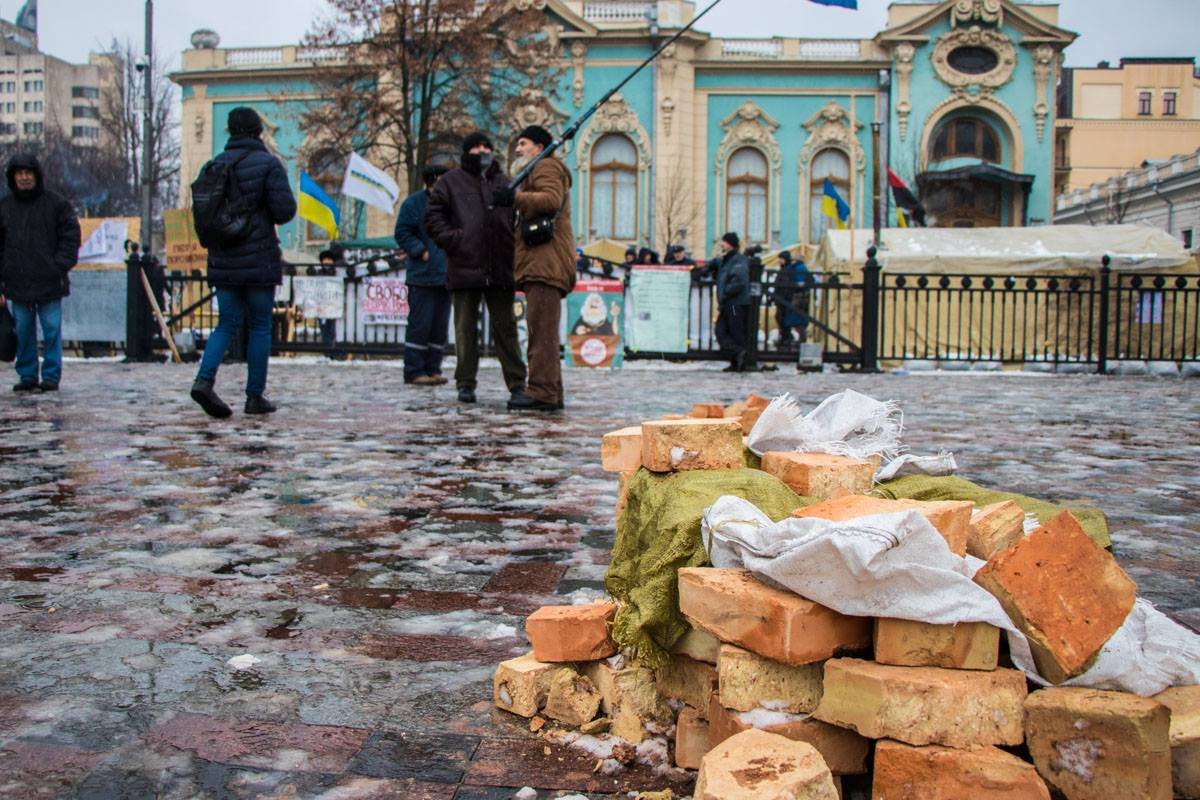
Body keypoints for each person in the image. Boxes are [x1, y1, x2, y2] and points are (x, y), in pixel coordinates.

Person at [190, 106, 297, 418]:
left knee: (227, 323)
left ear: (231, 131)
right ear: (257, 131)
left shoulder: (214, 165)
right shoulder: (268, 164)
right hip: (258, 258)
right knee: (260, 325)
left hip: (223, 257)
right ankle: (254, 396)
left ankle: (204, 380)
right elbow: (283, 211)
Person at [425, 132, 528, 405]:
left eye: (486, 146)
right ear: (467, 151)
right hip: (465, 264)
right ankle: (465, 383)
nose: (482, 151)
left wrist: (512, 244)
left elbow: (518, 215)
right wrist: (454, 240)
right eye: (477, 147)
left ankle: (517, 383)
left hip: (500, 265)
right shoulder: (451, 181)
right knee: (465, 328)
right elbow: (433, 216)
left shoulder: (504, 181)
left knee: (506, 328)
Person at [493, 124, 575, 412]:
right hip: (543, 262)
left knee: (541, 331)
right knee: (543, 331)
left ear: (539, 147)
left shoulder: (545, 166)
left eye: (524, 143)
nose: (518, 148)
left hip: (546, 262)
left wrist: (513, 198)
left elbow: (551, 200)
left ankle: (541, 392)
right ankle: (551, 391)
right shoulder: (540, 169)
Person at [0, 155, 81, 392]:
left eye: (28, 173)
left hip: (49, 281)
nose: (24, 178)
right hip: (18, 281)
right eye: (19, 173)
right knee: (23, 331)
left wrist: (58, 265)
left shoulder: (56, 204)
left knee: (51, 330)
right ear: (13, 177)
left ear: (36, 175)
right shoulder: (5, 207)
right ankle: (27, 375)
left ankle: (51, 376)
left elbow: (70, 237)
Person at [395, 165, 450, 386]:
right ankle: (414, 370)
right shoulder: (414, 203)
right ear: (434, 179)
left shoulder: (450, 204)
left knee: (439, 326)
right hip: (422, 275)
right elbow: (402, 232)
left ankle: (433, 368)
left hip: (445, 275)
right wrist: (419, 251)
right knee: (420, 325)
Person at [714, 232, 751, 373]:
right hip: (729, 302)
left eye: (723, 242)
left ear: (730, 243)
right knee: (722, 331)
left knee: (733, 331)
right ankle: (737, 357)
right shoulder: (727, 259)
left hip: (735, 303)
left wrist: (725, 292)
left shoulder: (738, 260)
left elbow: (739, 281)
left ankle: (739, 357)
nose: (722, 244)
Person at [773, 249, 811, 346]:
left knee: (794, 319)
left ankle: (792, 339)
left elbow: (796, 283)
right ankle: (791, 338)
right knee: (793, 319)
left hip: (793, 298)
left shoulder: (795, 269)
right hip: (793, 297)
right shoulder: (796, 268)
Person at [315, 248, 344, 358]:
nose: (327, 262)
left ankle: (334, 352)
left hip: (334, 305)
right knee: (324, 330)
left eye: (329, 259)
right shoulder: (318, 273)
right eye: (325, 259)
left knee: (334, 329)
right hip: (322, 306)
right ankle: (327, 351)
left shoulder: (336, 273)